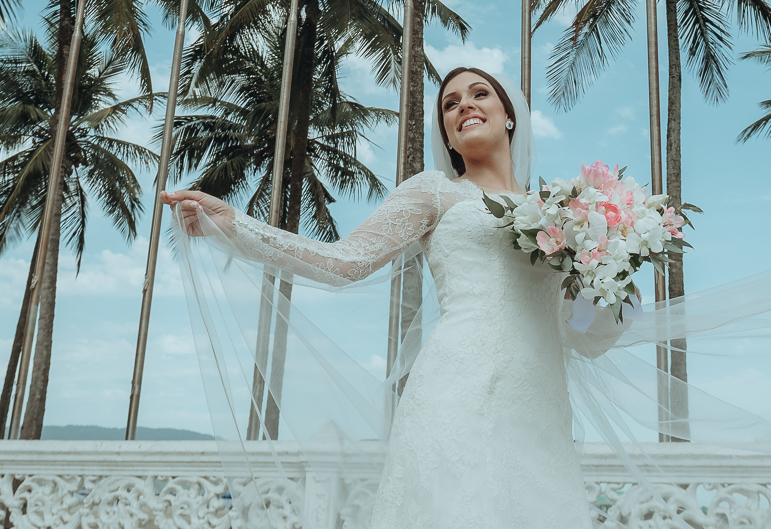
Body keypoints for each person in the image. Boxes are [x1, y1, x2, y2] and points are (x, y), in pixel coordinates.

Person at [161, 67, 634, 528]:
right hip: (457, 390)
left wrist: (605, 268)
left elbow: (579, 329)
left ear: (510, 117)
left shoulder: (566, 216)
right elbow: (346, 262)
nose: (464, 105)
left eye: (479, 94)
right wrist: (236, 227)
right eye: (450, 104)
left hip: (540, 403)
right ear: (448, 136)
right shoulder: (434, 192)